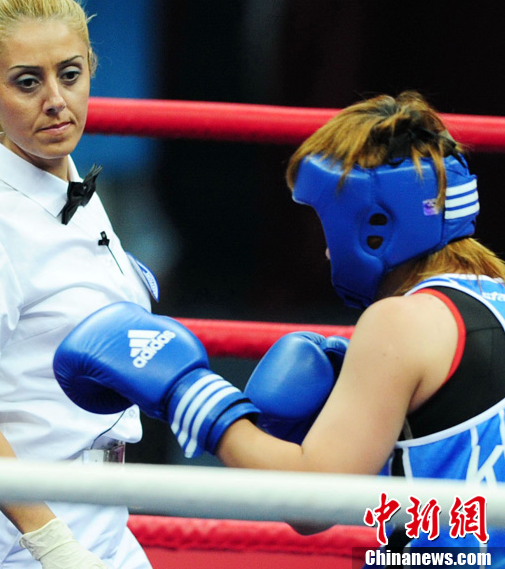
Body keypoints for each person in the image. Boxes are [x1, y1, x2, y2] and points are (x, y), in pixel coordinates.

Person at [53, 91, 505, 559]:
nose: (325, 249)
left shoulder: (400, 322)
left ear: (374, 224)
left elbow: (314, 500)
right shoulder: (493, 297)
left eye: (326, 224)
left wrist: (191, 395)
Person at [0, 0, 157, 569]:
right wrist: (52, 544)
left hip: (103, 518)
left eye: (69, 75)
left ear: (91, 69)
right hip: (24, 539)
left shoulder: (72, 190)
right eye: (27, 82)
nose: (55, 99)